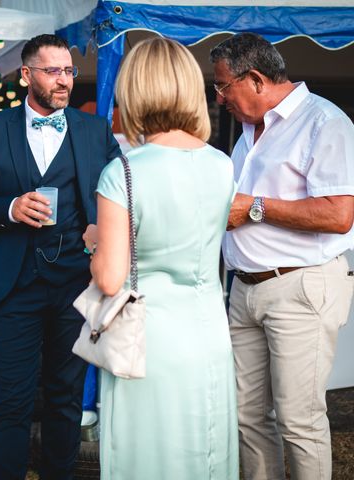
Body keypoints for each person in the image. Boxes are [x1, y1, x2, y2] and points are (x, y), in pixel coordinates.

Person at [0, 34, 120, 479]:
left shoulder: (94, 131)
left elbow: (123, 194)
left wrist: (103, 227)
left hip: (74, 283)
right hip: (13, 286)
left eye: (68, 71)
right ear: (27, 75)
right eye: (53, 71)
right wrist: (8, 207)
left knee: (64, 397)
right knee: (13, 400)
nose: (64, 80)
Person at [83, 37, 239, 479]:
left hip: (147, 342)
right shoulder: (222, 164)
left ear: (135, 90)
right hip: (209, 332)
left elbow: (110, 279)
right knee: (204, 450)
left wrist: (95, 241)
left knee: (149, 457)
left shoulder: (124, 172)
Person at [210, 32, 354, 480]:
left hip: (299, 287)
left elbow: (339, 214)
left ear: (254, 79)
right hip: (245, 290)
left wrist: (254, 206)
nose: (219, 97)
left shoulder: (325, 123)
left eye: (222, 86)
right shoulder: (250, 130)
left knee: (299, 421)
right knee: (247, 417)